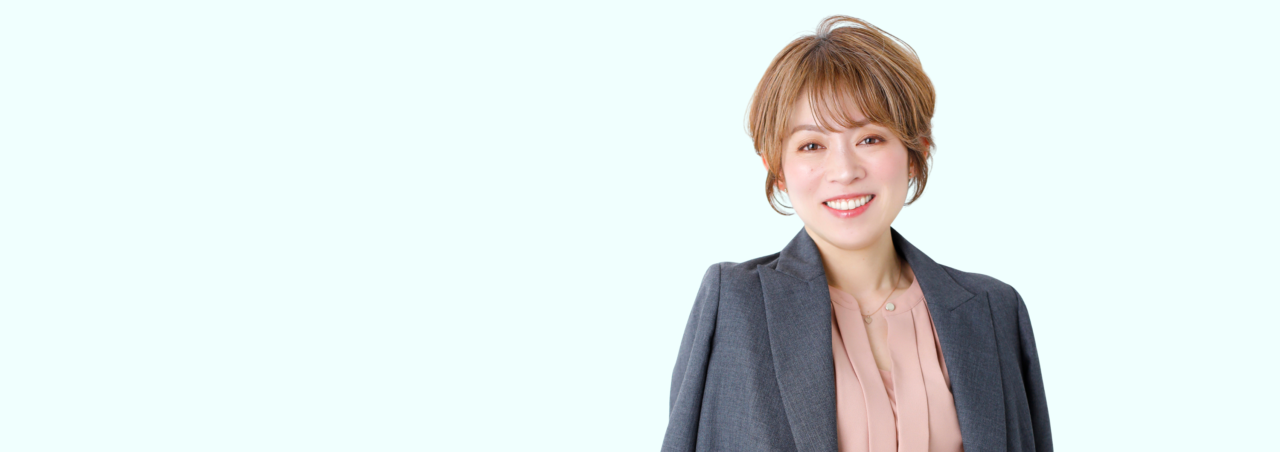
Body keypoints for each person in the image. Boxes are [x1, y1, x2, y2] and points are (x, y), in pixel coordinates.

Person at [660, 15, 1052, 452]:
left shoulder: (994, 311)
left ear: (915, 152)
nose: (845, 171)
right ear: (778, 169)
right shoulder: (735, 305)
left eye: (870, 139)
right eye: (811, 145)